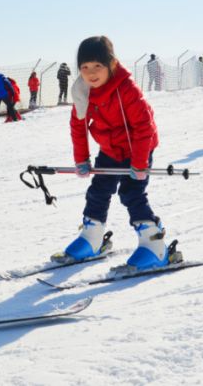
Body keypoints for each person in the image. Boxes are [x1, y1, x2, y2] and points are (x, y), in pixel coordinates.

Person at [58, 35, 175, 271]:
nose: (91, 73)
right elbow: (77, 126)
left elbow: (144, 126)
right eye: (85, 67)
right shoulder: (83, 91)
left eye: (97, 66)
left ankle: (155, 247)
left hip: (138, 148)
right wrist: (82, 159)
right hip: (111, 148)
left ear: (111, 64)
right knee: (98, 190)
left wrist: (140, 162)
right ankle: (92, 239)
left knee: (131, 192)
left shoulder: (126, 89)